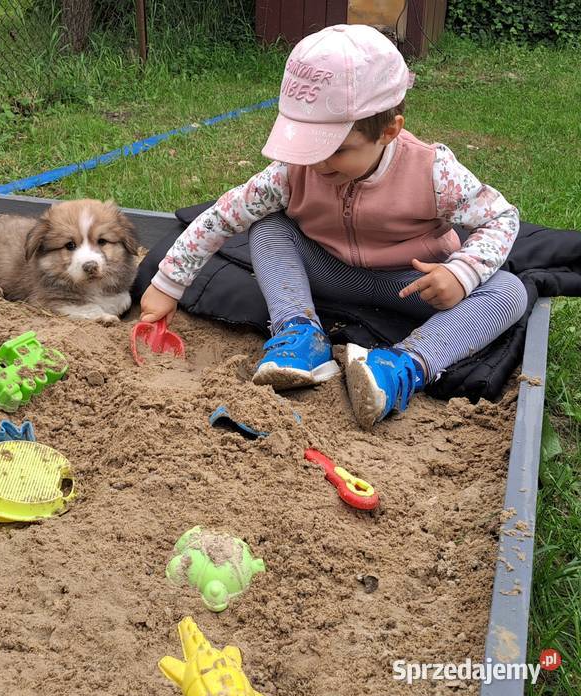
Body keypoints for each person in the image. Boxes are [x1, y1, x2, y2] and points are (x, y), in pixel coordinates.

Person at [139, 24, 527, 430]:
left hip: (413, 284)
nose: (318, 163)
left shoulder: (434, 171)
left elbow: (502, 218)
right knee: (267, 226)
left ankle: (402, 366)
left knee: (509, 291)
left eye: (336, 150)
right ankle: (301, 335)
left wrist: (460, 273)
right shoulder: (292, 172)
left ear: (389, 131)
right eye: (308, 145)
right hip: (328, 273)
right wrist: (168, 284)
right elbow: (222, 216)